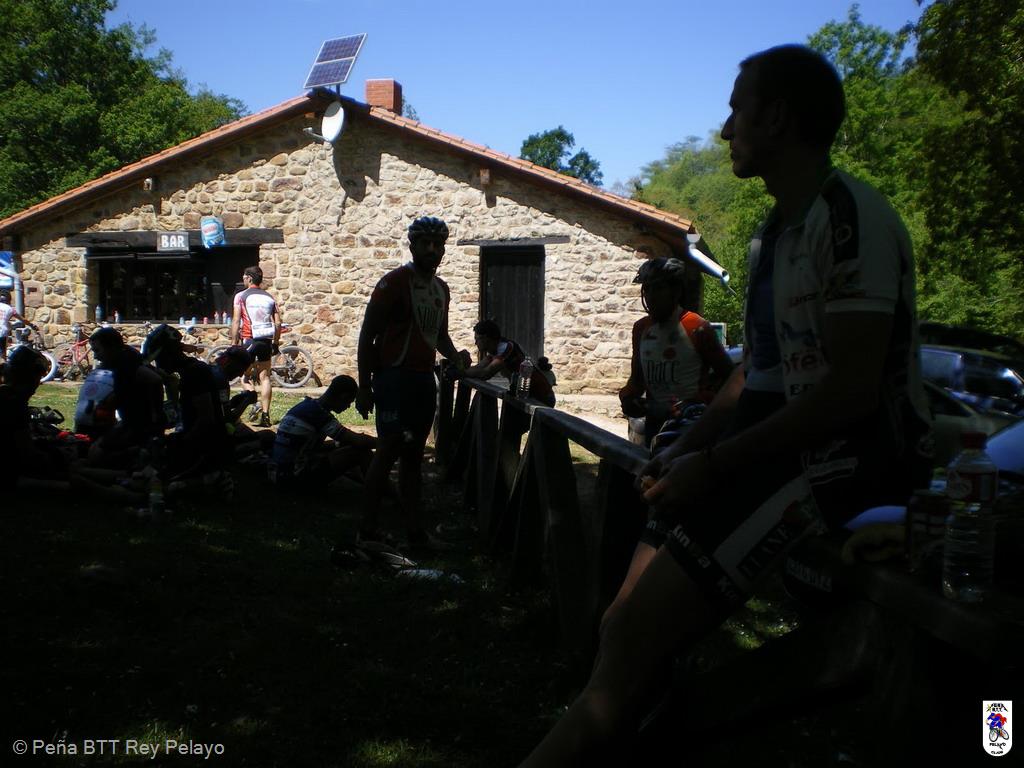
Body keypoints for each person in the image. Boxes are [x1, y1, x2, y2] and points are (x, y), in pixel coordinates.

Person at [517, 44, 933, 766]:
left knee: (632, 643)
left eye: (738, 109)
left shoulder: (848, 217)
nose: (725, 128)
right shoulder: (771, 237)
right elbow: (752, 380)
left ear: (777, 117)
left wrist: (713, 464)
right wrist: (686, 447)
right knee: (621, 627)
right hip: (780, 454)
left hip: (852, 464)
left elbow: (852, 393)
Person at [353, 216, 470, 551]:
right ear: (412, 246)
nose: (432, 250)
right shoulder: (393, 283)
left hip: (423, 379)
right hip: (393, 378)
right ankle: (367, 531)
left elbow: (439, 336)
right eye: (425, 243)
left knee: (414, 458)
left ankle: (416, 534)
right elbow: (367, 336)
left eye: (438, 244)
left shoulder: (441, 289)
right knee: (388, 450)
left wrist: (456, 356)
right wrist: (364, 386)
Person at [618, 257, 734, 445]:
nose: (651, 296)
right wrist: (628, 398)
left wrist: (701, 400)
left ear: (676, 291)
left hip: (691, 425)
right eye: (647, 289)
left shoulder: (696, 326)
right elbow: (637, 381)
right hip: (655, 422)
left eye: (658, 288)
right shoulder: (641, 329)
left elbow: (728, 376)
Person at [142, 323, 230, 486]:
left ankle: (214, 479)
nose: (159, 365)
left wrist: (180, 443)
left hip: (205, 446)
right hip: (194, 438)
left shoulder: (195, 373)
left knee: (162, 483)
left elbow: (206, 419)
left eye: (159, 359)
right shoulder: (184, 373)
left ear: (170, 353)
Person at [268, 375, 376, 490]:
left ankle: (367, 483)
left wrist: (338, 444)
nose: (348, 406)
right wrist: (385, 444)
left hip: (278, 474)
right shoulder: (319, 415)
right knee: (360, 452)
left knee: (342, 446)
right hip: (293, 478)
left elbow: (309, 447)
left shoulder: (306, 406)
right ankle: (379, 490)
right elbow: (358, 441)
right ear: (343, 397)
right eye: (349, 402)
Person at [81, 326, 165, 468]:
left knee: (96, 454)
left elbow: (155, 380)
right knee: (94, 449)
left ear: (112, 347)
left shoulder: (127, 362)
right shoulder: (121, 358)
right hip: (131, 420)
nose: (95, 356)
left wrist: (156, 414)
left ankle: (138, 458)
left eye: (97, 350)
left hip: (139, 423)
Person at [461, 319, 556, 406]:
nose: (475, 343)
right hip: (527, 395)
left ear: (485, 338)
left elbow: (486, 373)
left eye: (477, 339)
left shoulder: (506, 348)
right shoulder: (495, 350)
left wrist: (460, 372)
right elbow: (479, 367)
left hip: (542, 396)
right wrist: (461, 370)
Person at [230, 265, 280, 427]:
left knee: (244, 377)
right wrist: (276, 343)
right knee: (265, 377)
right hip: (266, 340)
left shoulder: (241, 296)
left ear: (249, 278)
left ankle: (254, 401)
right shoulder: (270, 297)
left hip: (249, 339)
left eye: (244, 277)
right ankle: (265, 415)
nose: (243, 280)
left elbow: (236, 321)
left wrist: (233, 344)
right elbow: (278, 323)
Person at [0, 290, 37, 361]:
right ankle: (4, 365)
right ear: (9, 300)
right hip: (2, 333)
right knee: (3, 355)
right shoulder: (10, 309)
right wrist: (32, 325)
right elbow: (23, 319)